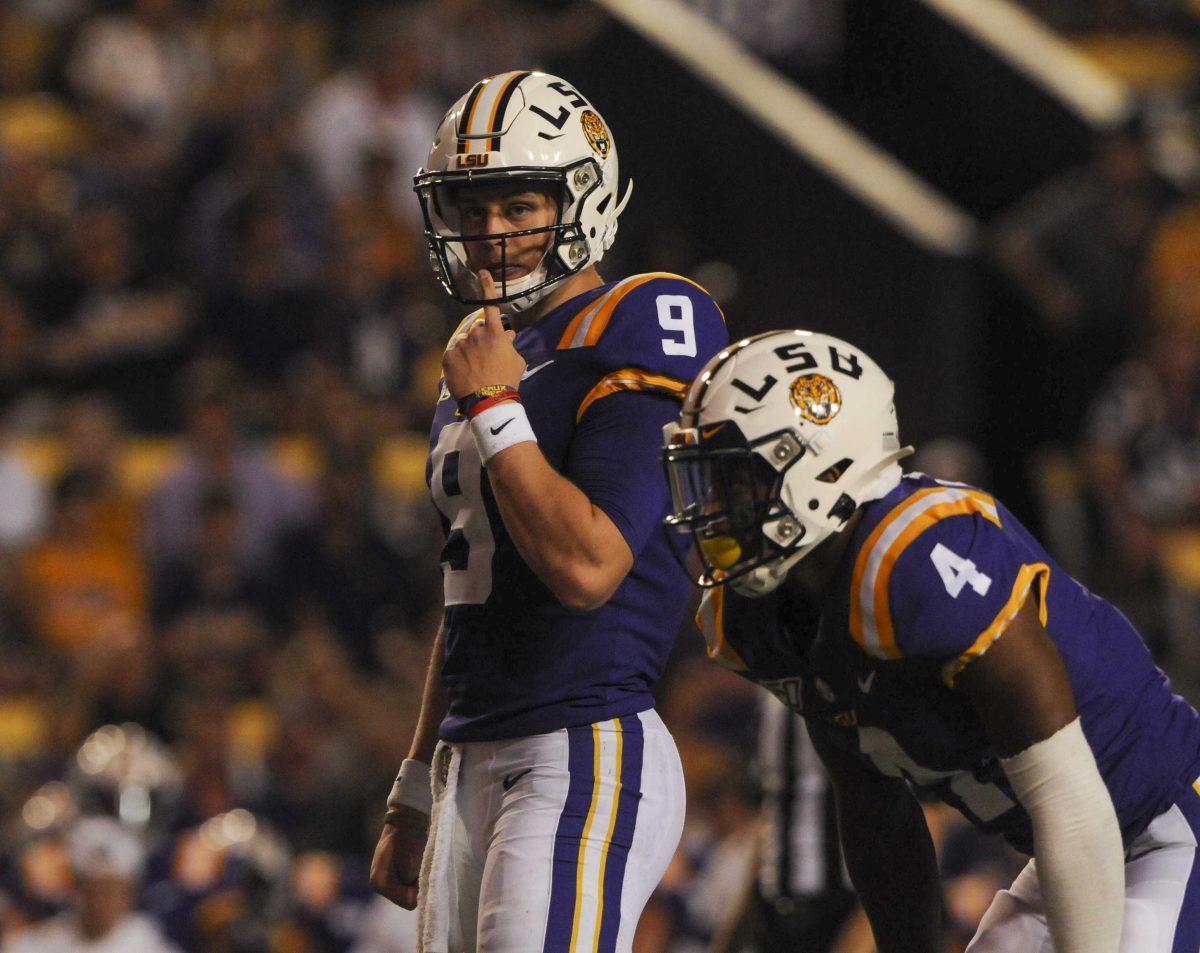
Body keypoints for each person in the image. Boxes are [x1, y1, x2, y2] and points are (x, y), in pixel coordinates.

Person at [661, 329, 1200, 952]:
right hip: (1074, 849)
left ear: (820, 460)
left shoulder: (916, 558)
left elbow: (1067, 792)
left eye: (738, 480)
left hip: (1165, 821)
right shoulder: (766, 615)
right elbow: (877, 819)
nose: (718, 506)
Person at [368, 71, 728, 952]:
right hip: (470, 754)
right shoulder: (484, 358)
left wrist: (497, 409)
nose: (491, 234)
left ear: (583, 197)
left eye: (519, 204)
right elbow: (467, 589)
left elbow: (589, 565)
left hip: (581, 738)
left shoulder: (644, 315)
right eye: (471, 207)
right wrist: (415, 782)